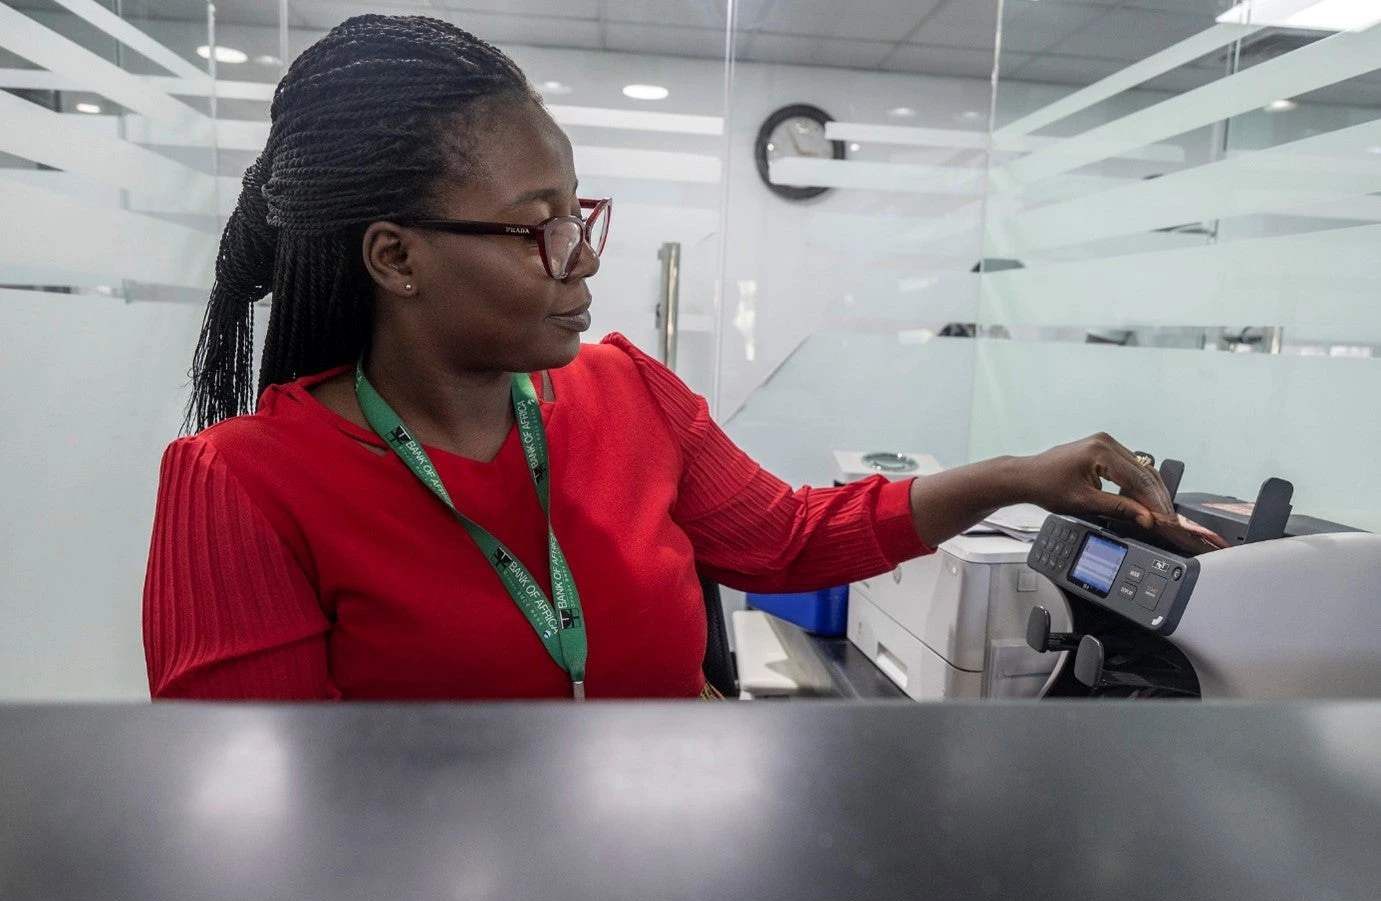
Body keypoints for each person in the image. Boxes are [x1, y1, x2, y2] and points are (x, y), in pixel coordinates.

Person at [142, 14, 1172, 701]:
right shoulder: (242, 485)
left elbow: (789, 542)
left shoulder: (623, 391)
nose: (581, 256)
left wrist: (1009, 480)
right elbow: (262, 827)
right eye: (534, 224)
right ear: (396, 256)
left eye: (578, 212)